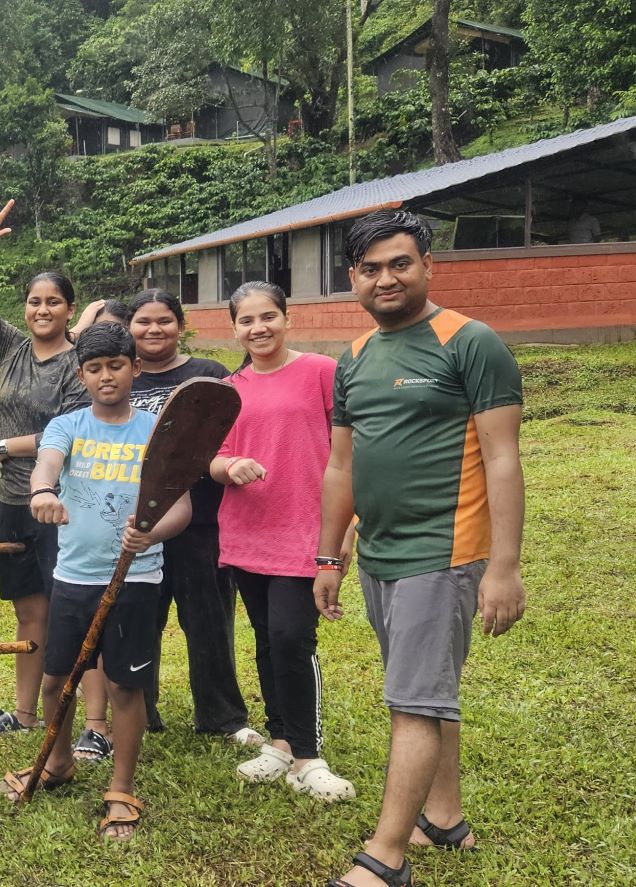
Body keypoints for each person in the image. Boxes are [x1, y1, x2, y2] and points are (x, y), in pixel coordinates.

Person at [318, 211, 525, 887]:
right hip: (378, 553)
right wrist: (330, 553)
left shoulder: (471, 342)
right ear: (353, 277)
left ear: (428, 265)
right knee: (428, 693)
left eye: (400, 263)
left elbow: (503, 458)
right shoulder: (353, 358)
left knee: (413, 701)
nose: (386, 278)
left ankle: (387, 855)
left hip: (445, 550)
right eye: (371, 268)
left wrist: (504, 565)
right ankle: (444, 817)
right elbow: (342, 465)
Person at [0, 323, 191, 843]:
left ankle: (122, 787)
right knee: (55, 678)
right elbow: (47, 464)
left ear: (134, 367)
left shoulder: (156, 429)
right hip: (74, 577)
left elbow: (181, 507)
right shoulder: (69, 425)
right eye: (95, 368)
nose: (106, 377)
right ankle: (58, 763)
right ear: (81, 375)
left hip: (136, 580)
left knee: (126, 687)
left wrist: (151, 533)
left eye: (116, 366)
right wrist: (42, 491)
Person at [0, 196, 110, 759]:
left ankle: (94, 723)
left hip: (63, 505)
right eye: (35, 302)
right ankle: (23, 713)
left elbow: (66, 433)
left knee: (76, 608)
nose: (42, 310)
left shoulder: (80, 364)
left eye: (54, 302)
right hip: (13, 499)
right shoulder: (12, 348)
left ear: (71, 310)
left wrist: (2, 446)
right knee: (29, 611)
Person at [206, 282, 355, 803]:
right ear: (234, 328)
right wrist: (231, 465)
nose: (258, 328)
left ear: (286, 319)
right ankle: (281, 743)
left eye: (268, 316)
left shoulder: (320, 372)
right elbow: (214, 456)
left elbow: (350, 450)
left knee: (294, 638)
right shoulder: (229, 387)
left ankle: (310, 756)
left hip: (305, 532)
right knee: (267, 642)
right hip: (247, 533)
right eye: (247, 321)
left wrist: (346, 529)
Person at [124, 290, 254, 743]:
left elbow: (232, 436)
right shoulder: (123, 378)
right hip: (138, 522)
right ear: (129, 328)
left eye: (164, 320)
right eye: (143, 322)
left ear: (180, 325)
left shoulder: (210, 375)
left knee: (209, 620)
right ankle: (139, 712)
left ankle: (222, 717)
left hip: (202, 523)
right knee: (140, 617)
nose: (153, 329)